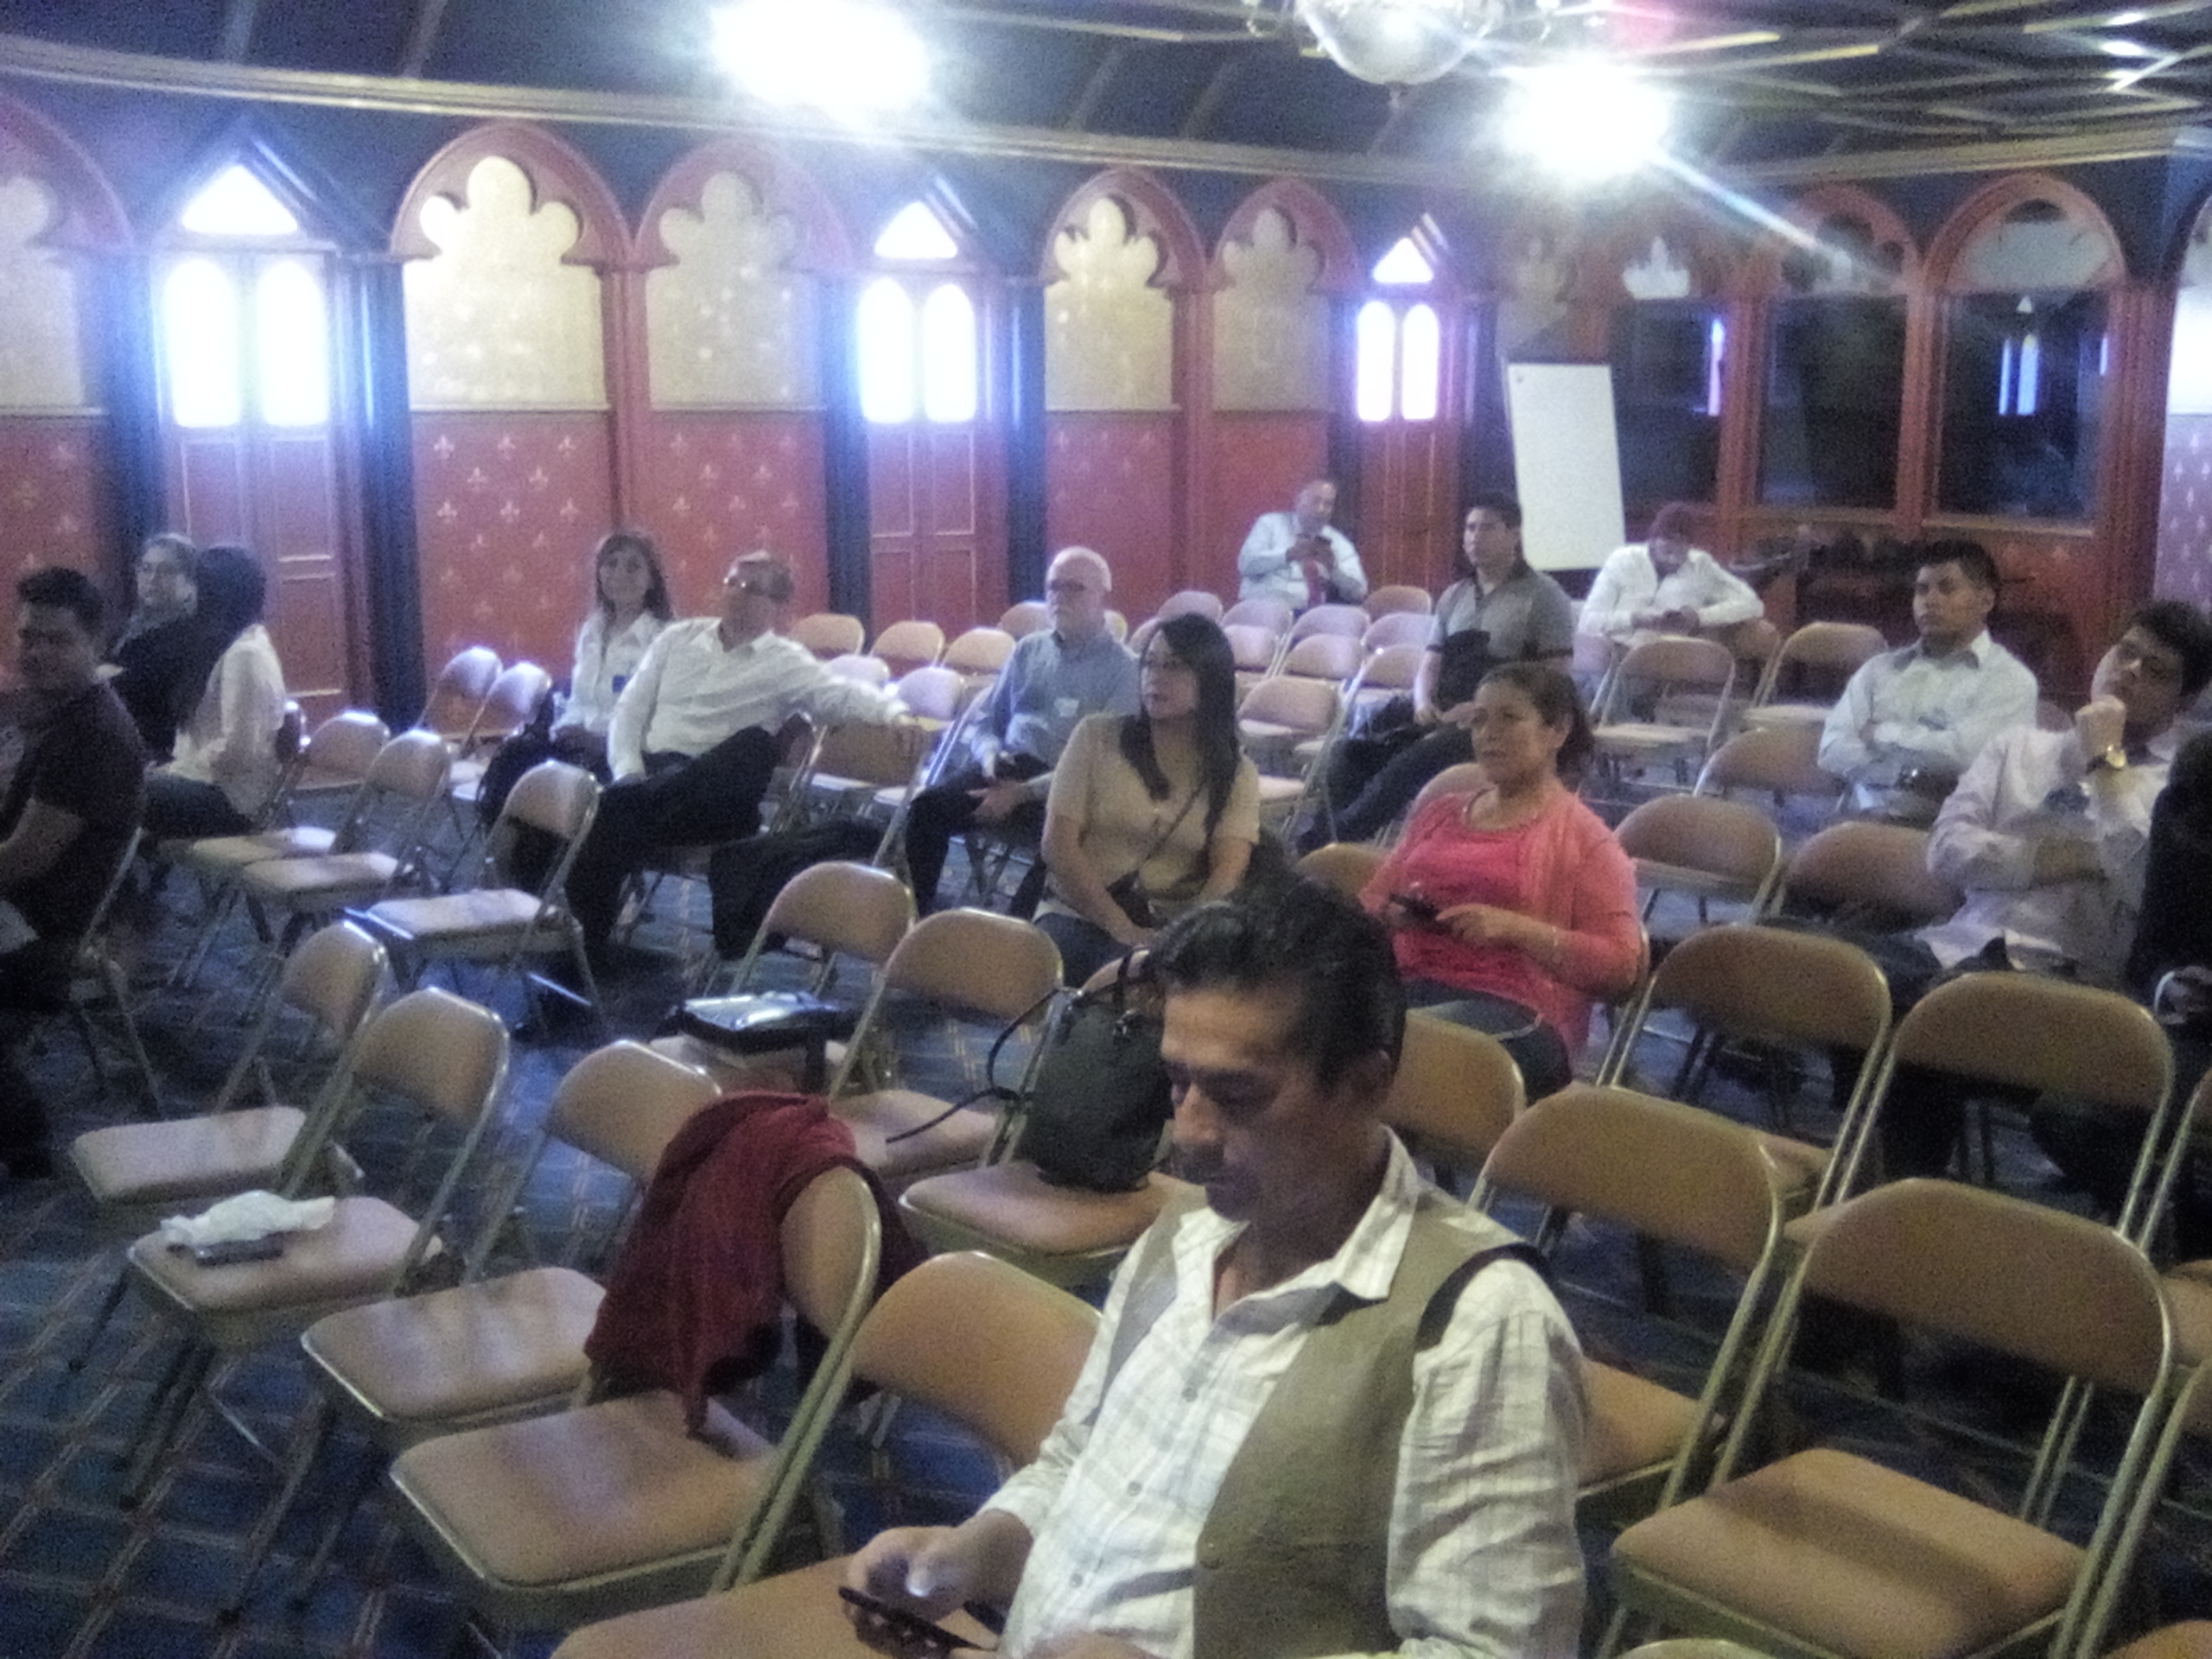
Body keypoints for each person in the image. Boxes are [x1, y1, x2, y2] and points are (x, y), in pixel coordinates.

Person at [845, 880, 1586, 1659]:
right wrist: (970, 1554)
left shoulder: (1481, 1324)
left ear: (1365, 1086)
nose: (1189, 1134)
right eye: (1177, 1082)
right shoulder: (1186, 1234)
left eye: (1237, 1095)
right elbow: (1078, 1468)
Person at [1847, 601, 2212, 1180]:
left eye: (2157, 671)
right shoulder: (2018, 748)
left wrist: (2105, 764)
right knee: (1827, 965)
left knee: (1925, 1011)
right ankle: (1884, 1186)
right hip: (1954, 945)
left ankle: (1894, 1193)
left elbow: (2146, 890)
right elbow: (1946, 851)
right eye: (2126, 652)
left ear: (2184, 702)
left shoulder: (2182, 786)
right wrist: (2052, 858)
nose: (2130, 672)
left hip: (2067, 981)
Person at [563, 551, 904, 957]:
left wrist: (895, 714)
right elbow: (629, 711)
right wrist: (629, 772)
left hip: (711, 799)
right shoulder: (677, 638)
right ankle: (581, 944)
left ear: (778, 607)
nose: (738, 594)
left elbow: (841, 696)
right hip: (648, 781)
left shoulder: (785, 661)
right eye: (733, 583)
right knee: (598, 799)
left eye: (753, 589)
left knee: (754, 745)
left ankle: (581, 945)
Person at [1361, 662, 1644, 1101]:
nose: (1488, 734)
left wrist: (1515, 929)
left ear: (1557, 731)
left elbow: (1621, 969)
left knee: (1386, 1044)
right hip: (1413, 986)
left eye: (1508, 718)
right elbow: (1371, 901)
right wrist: (1392, 914)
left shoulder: (1587, 839)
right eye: (1478, 720)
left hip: (1518, 1007)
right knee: (1314, 1017)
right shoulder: (1440, 813)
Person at [1313, 494, 1574, 849]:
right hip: (1444, 707)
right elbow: (1431, 661)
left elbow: (1553, 677)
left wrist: (1483, 711)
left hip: (1497, 718)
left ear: (1514, 534)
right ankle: (1330, 840)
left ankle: (1330, 843)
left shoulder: (1544, 596)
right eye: (1470, 528)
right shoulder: (1455, 595)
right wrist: (1423, 702)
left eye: (1487, 528)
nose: (1475, 538)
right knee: (1348, 752)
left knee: (1412, 761)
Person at [0, 569, 148, 1178]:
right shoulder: (59, 711)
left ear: (96, 643)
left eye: (57, 640)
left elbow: (22, 861)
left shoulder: (91, 736)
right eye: (27, 636)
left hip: (45, 934)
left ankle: (20, 1126)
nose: (36, 652)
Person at [902, 547, 1139, 914]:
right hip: (1005, 769)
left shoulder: (1124, 669)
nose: (1059, 597)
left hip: (1066, 785)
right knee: (925, 809)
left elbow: (1100, 765)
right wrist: (988, 755)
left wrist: (1021, 794)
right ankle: (919, 921)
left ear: (1102, 596)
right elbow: (987, 723)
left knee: (1063, 845)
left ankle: (1019, 937)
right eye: (1053, 587)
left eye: (1074, 588)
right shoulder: (1029, 650)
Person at [1034, 613, 1260, 985]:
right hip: (1076, 913)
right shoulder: (1095, 736)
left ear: (1211, 680)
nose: (1156, 676)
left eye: (1174, 666)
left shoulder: (1234, 772)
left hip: (1170, 927)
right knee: (1105, 973)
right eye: (1150, 663)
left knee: (1174, 983)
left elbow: (1226, 874)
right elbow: (1057, 845)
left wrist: (1179, 939)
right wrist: (1119, 925)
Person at [1817, 538, 2039, 823]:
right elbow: (1831, 749)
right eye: (1922, 590)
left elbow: (1965, 757)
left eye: (1947, 589)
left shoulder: (2010, 681)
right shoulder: (1879, 670)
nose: (1930, 601)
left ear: (1985, 601)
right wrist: (1907, 776)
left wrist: (1881, 734)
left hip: (1951, 832)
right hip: (1860, 822)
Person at [474, 529, 673, 825]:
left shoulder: (663, 640)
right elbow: (579, 700)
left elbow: (659, 718)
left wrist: (599, 741)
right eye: (611, 564)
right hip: (575, 745)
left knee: (537, 787)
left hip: (619, 757)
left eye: (633, 567)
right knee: (514, 760)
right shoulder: (592, 630)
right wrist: (565, 728)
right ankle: (502, 847)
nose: (620, 574)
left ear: (652, 579)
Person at [141, 543, 288, 842]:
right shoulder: (222, 646)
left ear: (214, 595)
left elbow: (238, 750)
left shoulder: (246, 654)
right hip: (206, 781)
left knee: (117, 793)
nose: (190, 596)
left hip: (233, 799)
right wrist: (174, 769)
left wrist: (175, 770)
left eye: (195, 585)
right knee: (114, 787)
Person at [1575, 500, 1764, 660]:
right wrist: (1635, 619)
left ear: (1690, 545)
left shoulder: (1700, 565)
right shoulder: (1623, 560)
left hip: (1664, 658)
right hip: (1613, 652)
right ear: (1653, 539)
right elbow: (1588, 621)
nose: (1673, 550)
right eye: (1667, 541)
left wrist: (1699, 617)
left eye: (1682, 542)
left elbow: (1752, 604)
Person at [105, 531, 201, 759]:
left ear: (190, 581)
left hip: (162, 752)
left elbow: (141, 688)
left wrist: (110, 676)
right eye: (146, 568)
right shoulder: (130, 625)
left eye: (166, 571)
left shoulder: (193, 634)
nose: (152, 578)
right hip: (121, 740)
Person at [1236, 478, 1367, 610]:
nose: (1321, 509)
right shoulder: (1270, 524)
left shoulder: (1337, 542)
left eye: (1328, 504)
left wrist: (1334, 569)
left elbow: (1359, 591)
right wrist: (1288, 554)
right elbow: (1246, 564)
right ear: (1298, 501)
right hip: (1262, 609)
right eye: (1315, 501)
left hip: (1309, 614)